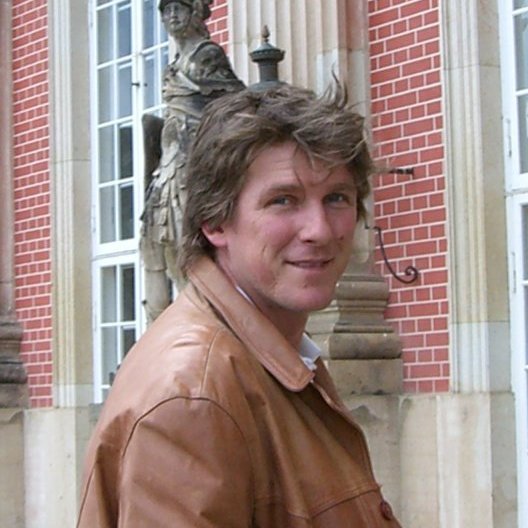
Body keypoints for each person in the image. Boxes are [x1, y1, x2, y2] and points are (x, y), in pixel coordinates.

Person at [77, 83, 402, 527]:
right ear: (214, 222)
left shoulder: (265, 355)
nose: (320, 230)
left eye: (336, 198)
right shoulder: (193, 397)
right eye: (283, 200)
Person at [140, 0, 244, 322]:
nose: (172, 15)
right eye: (166, 9)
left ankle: (202, 325)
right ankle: (170, 331)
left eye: (179, 8)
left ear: (195, 13)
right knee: (163, 244)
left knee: (192, 247)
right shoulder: (173, 65)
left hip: (193, 166)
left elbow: (236, 103)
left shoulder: (207, 55)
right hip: (169, 168)